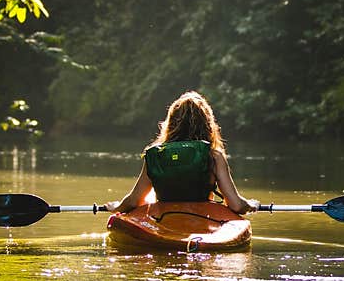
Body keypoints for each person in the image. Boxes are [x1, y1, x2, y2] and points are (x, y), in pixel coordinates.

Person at [105, 91, 259, 215]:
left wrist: (117, 207)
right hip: (202, 220)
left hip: (164, 220)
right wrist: (251, 204)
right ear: (207, 124)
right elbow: (236, 205)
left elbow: (134, 201)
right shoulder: (214, 156)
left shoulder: (156, 155)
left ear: (171, 123)